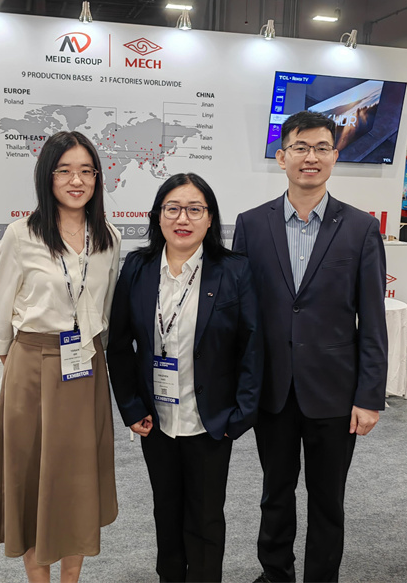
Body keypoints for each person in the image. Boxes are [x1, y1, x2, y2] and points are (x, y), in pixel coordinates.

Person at [233, 111, 388, 583]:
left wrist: (369, 396)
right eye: (300, 147)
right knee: (275, 493)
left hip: (335, 394)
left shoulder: (361, 228)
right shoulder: (251, 224)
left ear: (335, 157)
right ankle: (275, 574)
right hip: (273, 390)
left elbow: (373, 319)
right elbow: (240, 317)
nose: (311, 157)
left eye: (322, 148)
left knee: (327, 499)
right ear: (282, 157)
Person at [107, 173, 263, 582]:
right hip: (155, 420)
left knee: (206, 517)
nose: (183, 218)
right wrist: (131, 407)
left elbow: (252, 347)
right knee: (166, 511)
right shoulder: (138, 267)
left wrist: (240, 416)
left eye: (195, 209)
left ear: (210, 219)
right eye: (173, 208)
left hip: (210, 421)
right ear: (157, 216)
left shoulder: (233, 270)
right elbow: (119, 344)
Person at [0, 131, 121, 583]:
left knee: (78, 485)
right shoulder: (21, 234)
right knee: (31, 482)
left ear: (97, 178)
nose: (76, 181)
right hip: (32, 367)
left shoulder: (109, 237)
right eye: (65, 170)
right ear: (48, 175)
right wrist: (18, 368)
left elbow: (105, 308)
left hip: (86, 367)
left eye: (86, 171)